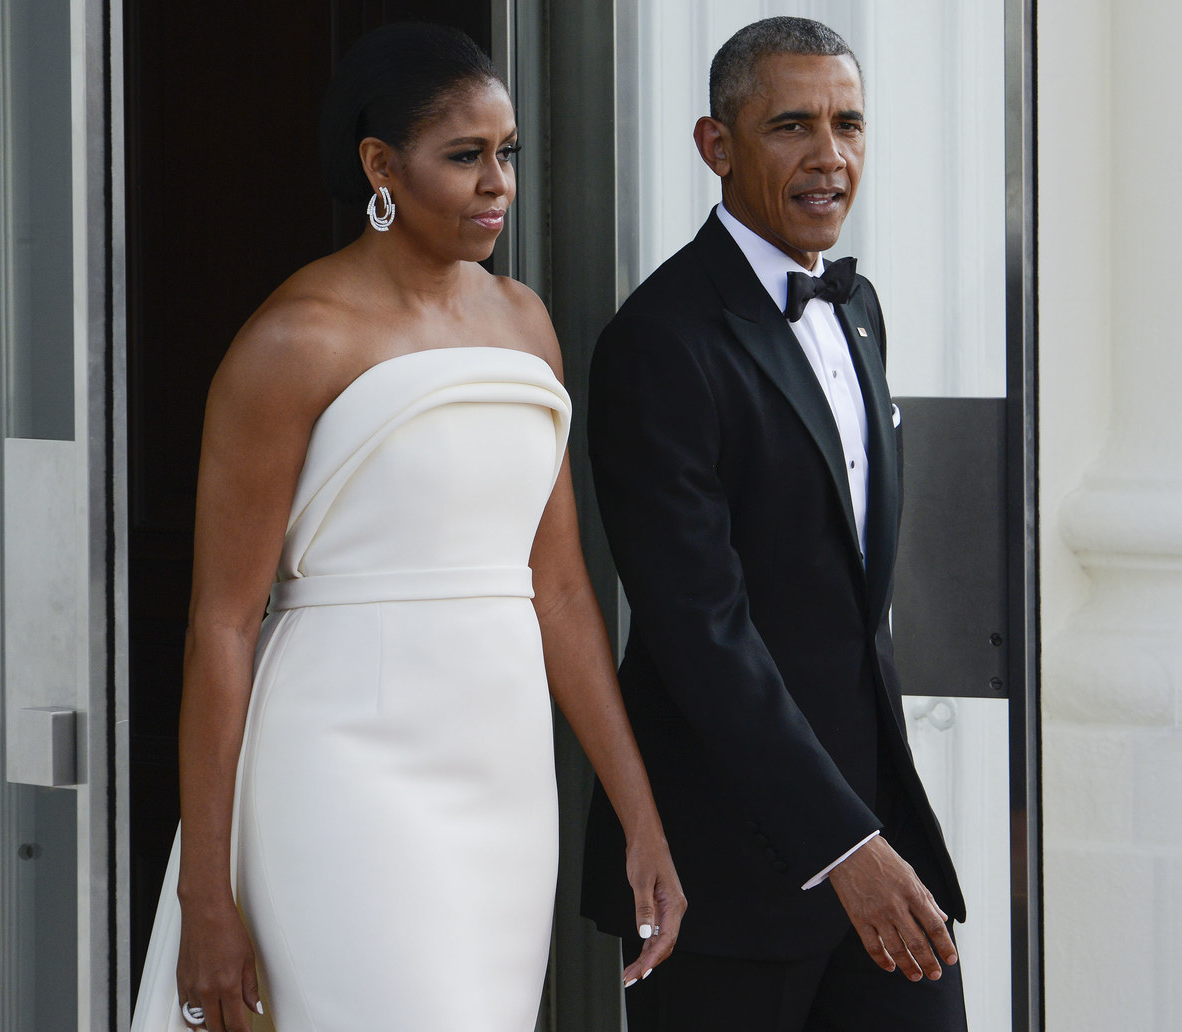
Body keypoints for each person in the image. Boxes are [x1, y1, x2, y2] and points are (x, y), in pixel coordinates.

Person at [131, 22, 684, 1032]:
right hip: (340, 772)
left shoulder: (525, 322)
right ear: (380, 166)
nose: (497, 183)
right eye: (464, 156)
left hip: (503, 783)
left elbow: (559, 593)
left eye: (506, 152)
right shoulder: (295, 340)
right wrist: (204, 898)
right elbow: (220, 624)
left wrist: (636, 815)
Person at [579, 16, 969, 1031]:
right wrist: (842, 846)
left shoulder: (858, 306)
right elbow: (700, 631)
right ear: (716, 146)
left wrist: (873, 831)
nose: (828, 156)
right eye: (791, 125)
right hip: (719, 874)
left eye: (847, 124)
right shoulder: (656, 343)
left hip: (880, 832)